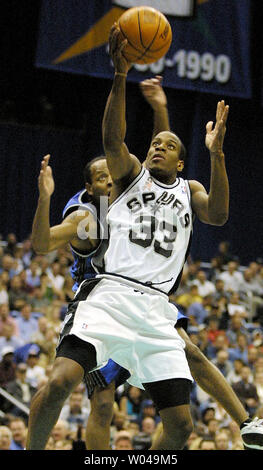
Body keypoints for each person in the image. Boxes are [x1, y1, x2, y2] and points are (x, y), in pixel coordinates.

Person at [25, 47, 263, 451]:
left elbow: (219, 215)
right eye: (154, 144)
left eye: (167, 147)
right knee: (64, 380)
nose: (157, 147)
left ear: (182, 162)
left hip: (155, 305)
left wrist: (217, 154)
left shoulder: (191, 190)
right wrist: (120, 75)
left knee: (181, 425)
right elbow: (112, 138)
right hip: (110, 294)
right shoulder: (125, 180)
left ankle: (247, 423)